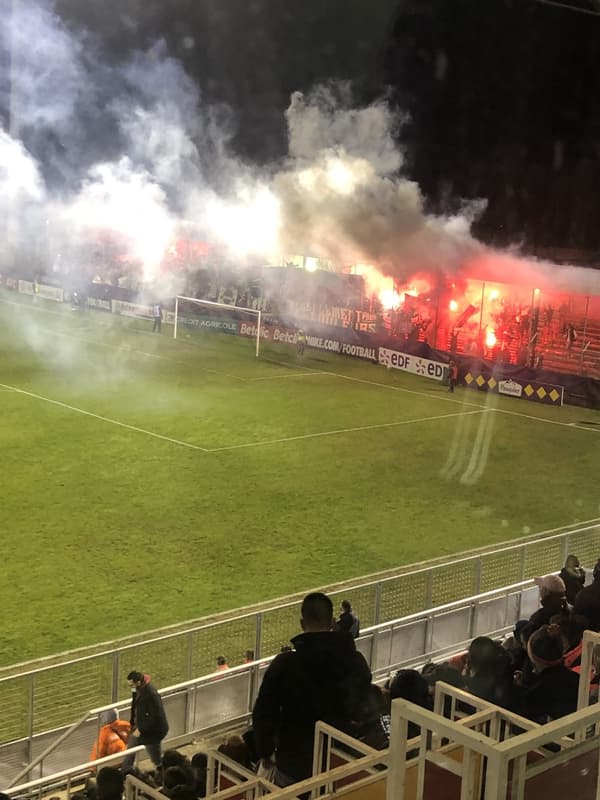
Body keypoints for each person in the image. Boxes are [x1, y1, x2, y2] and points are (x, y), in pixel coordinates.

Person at [252, 591, 372, 787]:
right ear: (333, 622)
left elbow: (263, 712)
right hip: (339, 759)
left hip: (294, 765)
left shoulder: (285, 664)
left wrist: (266, 752)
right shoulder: (354, 661)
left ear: (302, 623)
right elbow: (364, 707)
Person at [122, 671, 169, 771]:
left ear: (138, 682)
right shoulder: (138, 689)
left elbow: (156, 716)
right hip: (141, 729)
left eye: (131, 685)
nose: (131, 687)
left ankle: (163, 774)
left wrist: (141, 729)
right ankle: (125, 772)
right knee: (130, 749)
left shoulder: (151, 694)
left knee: (156, 760)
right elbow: (135, 704)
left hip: (152, 733)